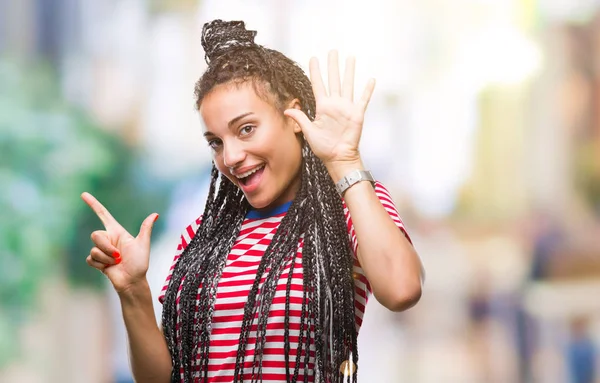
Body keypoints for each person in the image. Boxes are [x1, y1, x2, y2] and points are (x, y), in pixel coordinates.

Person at [81, 19, 424, 383]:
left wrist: (344, 161)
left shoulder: (348, 207)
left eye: (246, 129)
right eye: (216, 141)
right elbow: (164, 378)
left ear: (294, 118)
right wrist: (133, 290)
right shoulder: (201, 238)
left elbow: (402, 290)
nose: (230, 156)